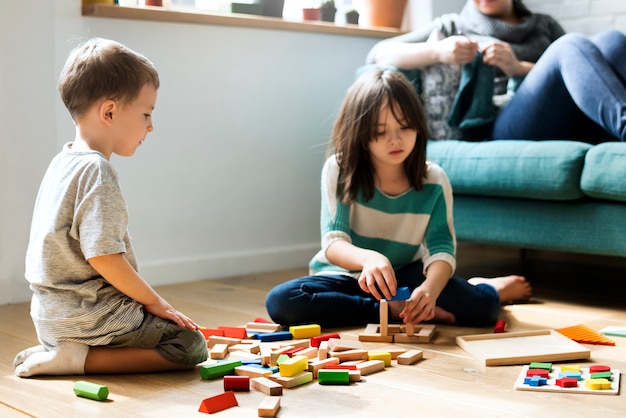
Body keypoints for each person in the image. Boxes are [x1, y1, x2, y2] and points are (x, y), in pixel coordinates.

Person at [264, 69, 531, 329]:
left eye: (404, 127)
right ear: (359, 133)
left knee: (482, 311)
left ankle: (489, 287)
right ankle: (389, 310)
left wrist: (430, 289)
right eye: (380, 132)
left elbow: (441, 250)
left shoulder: (434, 181)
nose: (395, 140)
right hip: (346, 277)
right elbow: (334, 242)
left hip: (407, 275)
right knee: (282, 302)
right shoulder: (340, 170)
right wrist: (369, 260)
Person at [13, 38, 208, 378]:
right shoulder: (97, 172)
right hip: (89, 314)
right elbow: (103, 256)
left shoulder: (62, 162)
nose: (151, 126)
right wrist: (154, 302)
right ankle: (77, 359)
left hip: (50, 314)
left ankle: (60, 348)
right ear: (109, 112)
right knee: (189, 345)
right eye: (146, 113)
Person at [366, 0, 626, 143]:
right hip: (502, 123)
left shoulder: (544, 26)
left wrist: (516, 67)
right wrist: (438, 51)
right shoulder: (455, 24)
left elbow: (580, 72)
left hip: (567, 117)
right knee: (570, 46)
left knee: (612, 41)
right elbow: (379, 52)